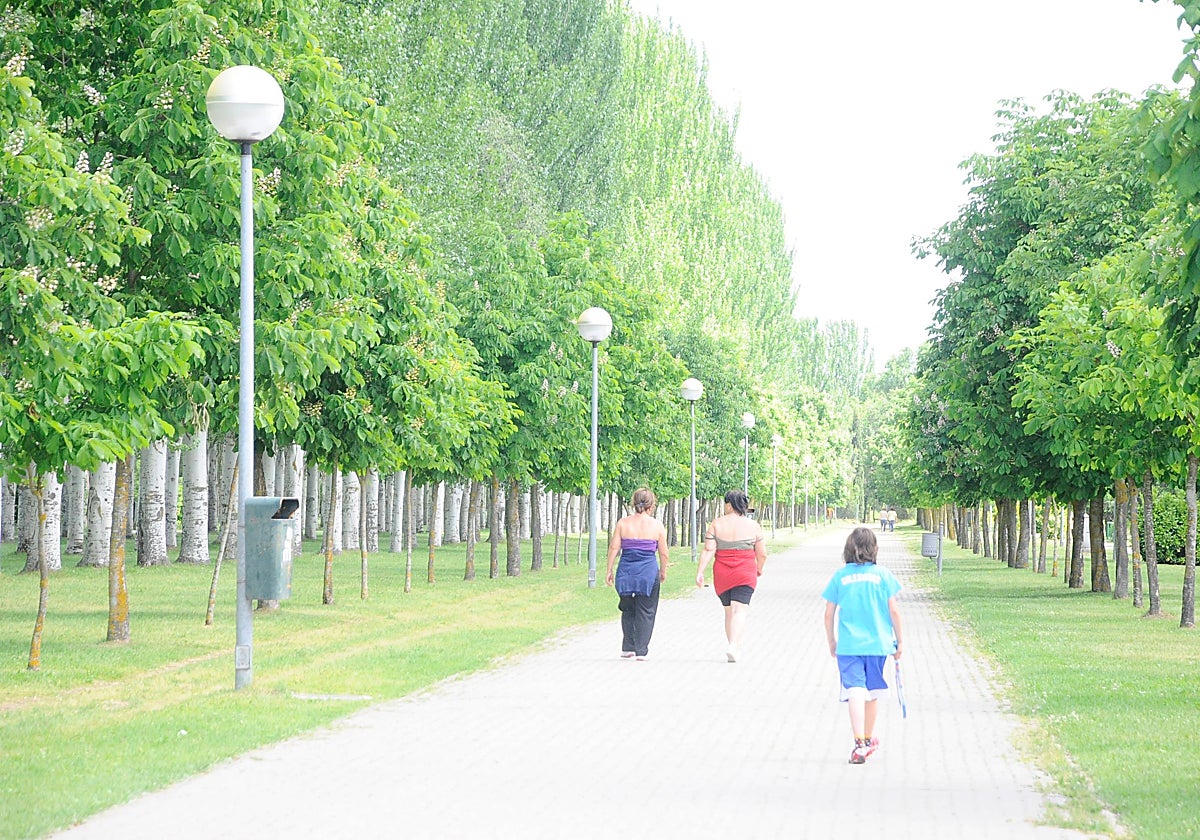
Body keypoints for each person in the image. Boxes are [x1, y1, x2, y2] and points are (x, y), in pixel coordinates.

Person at [822, 526, 904, 765]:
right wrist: (900, 641)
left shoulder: (840, 577)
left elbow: (828, 613)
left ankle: (859, 743)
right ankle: (868, 739)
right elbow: (894, 611)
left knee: (855, 690)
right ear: (874, 549)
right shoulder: (883, 575)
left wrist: (831, 640)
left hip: (849, 646)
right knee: (872, 693)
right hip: (878, 645)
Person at [695, 489, 767, 662]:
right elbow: (762, 554)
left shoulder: (716, 524)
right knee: (739, 609)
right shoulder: (753, 526)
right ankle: (734, 646)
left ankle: (732, 645)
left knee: (729, 611)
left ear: (729, 504)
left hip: (722, 573)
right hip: (745, 572)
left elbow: (708, 550)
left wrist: (700, 572)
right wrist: (759, 568)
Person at [605, 487, 669, 660]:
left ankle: (628, 648)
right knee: (646, 610)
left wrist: (609, 570)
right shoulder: (657, 525)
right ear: (652, 505)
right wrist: (663, 570)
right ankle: (641, 651)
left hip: (626, 572)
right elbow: (664, 553)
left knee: (627, 609)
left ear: (634, 503)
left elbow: (614, 548)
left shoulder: (623, 523)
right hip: (648, 572)